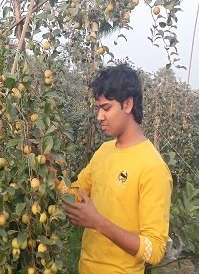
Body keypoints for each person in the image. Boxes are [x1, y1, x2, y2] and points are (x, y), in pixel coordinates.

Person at [56, 64, 172, 273]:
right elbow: (75, 194)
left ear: (127, 105)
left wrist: (99, 223)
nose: (100, 116)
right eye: (99, 108)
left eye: (106, 108)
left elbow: (155, 249)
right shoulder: (104, 151)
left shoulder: (153, 167)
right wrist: (45, 169)